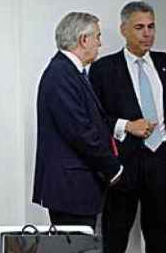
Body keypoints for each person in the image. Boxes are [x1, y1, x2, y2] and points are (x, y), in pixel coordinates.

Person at [88, 2, 166, 253]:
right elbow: (93, 121)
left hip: (163, 160)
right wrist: (126, 126)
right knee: (114, 238)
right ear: (123, 29)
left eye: (151, 27)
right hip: (122, 164)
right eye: (139, 27)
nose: (147, 33)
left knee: (160, 239)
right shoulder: (103, 69)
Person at [33, 12, 122, 229]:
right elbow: (80, 132)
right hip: (71, 187)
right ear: (83, 40)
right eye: (98, 37)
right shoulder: (61, 74)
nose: (100, 43)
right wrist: (112, 167)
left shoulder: (69, 72)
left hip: (76, 185)